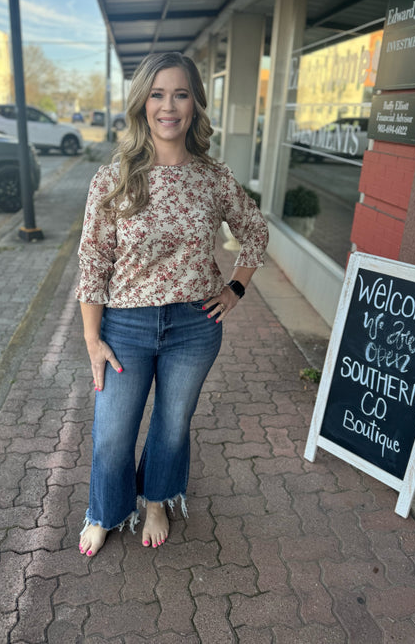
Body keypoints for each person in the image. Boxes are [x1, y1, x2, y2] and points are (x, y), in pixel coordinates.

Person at [76, 51, 269, 558]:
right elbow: (93, 261)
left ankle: (157, 498)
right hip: (125, 327)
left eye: (180, 93)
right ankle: (106, 510)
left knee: (171, 425)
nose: (169, 106)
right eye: (157, 94)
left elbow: (255, 230)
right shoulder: (114, 177)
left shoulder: (212, 176)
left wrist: (236, 288)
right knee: (112, 434)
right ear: (142, 104)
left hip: (194, 326)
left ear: (195, 105)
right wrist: (93, 340)